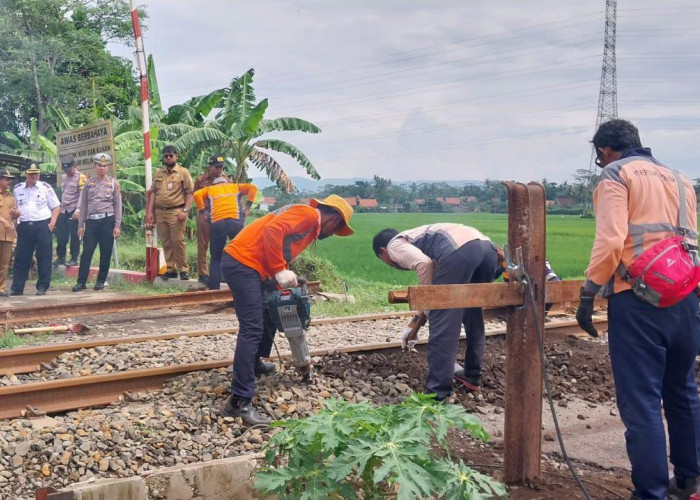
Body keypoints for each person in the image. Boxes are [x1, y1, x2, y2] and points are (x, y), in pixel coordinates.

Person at [575, 119, 700, 500]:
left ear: (604, 152)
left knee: (641, 399)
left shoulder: (615, 174)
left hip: (637, 298)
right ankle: (691, 483)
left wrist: (589, 291)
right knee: (682, 390)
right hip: (686, 296)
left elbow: (612, 239)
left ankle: (650, 493)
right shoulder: (681, 179)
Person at [220, 194, 354, 425]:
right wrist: (279, 269)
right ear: (334, 219)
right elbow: (273, 230)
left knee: (269, 311)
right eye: (335, 230)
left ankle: (254, 364)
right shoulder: (310, 215)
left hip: (250, 265)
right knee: (251, 328)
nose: (331, 235)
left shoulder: (309, 224)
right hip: (243, 263)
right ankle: (238, 402)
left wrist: (283, 272)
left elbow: (280, 244)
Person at [372, 223, 500, 400]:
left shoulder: (395, 244)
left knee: (443, 326)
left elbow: (424, 264)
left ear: (383, 252)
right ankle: (472, 376)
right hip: (488, 250)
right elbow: (435, 269)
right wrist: (417, 320)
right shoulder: (423, 241)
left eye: (383, 260)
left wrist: (428, 301)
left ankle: (438, 392)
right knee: (473, 315)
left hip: (461, 251)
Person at [192, 167, 257, 290]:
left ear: (215, 183)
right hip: (235, 223)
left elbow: (196, 194)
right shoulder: (234, 186)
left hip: (218, 223)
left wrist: (203, 211)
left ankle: (214, 289)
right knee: (241, 254)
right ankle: (244, 285)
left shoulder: (210, 189)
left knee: (216, 258)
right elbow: (252, 188)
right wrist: (247, 207)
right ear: (226, 182)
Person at [72, 154, 122, 292]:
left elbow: (118, 206)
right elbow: (83, 205)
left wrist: (117, 225)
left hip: (107, 220)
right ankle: (81, 282)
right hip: (92, 222)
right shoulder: (88, 183)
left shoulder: (113, 183)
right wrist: (81, 224)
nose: (102, 168)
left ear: (108, 167)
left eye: (104, 165)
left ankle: (100, 281)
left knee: (105, 253)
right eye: (99, 165)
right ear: (95, 166)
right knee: (87, 252)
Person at [9, 163, 60, 296]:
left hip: (42, 225)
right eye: (31, 173)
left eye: (36, 173)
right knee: (21, 257)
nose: (34, 176)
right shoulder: (18, 188)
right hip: (25, 226)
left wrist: (52, 224)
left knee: (44, 257)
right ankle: (17, 287)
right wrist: (15, 222)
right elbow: (14, 208)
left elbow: (56, 207)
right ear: (26, 174)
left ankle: (42, 286)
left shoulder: (46, 188)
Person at [145, 145, 194, 280]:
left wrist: (185, 210)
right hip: (160, 212)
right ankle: (171, 269)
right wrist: (150, 212)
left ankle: (183, 269)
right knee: (166, 242)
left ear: (176, 156)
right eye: (166, 156)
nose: (168, 158)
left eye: (171, 155)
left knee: (178, 241)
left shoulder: (183, 172)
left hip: (176, 212)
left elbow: (190, 193)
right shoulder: (159, 173)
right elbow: (153, 193)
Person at [193, 155, 232, 285]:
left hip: (220, 217)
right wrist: (202, 212)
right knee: (203, 245)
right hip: (205, 215)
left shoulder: (227, 180)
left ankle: (219, 273)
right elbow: (196, 196)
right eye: (217, 166)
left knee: (220, 246)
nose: (220, 169)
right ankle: (202, 273)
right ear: (210, 167)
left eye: (222, 167)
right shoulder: (201, 180)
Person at [55, 158, 86, 267]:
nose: (67, 171)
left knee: (74, 235)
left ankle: (74, 258)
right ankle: (61, 257)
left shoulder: (81, 177)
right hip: (64, 209)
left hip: (75, 209)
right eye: (66, 169)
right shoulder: (64, 177)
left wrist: (78, 210)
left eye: (69, 169)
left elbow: (83, 195)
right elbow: (63, 193)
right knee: (61, 234)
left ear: (75, 166)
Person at [0, 169, 19, 297]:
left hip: (7, 234)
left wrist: (16, 215)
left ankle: (1, 288)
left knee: (5, 263)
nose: (9, 181)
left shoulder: (11, 197)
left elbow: (13, 214)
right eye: (6, 179)